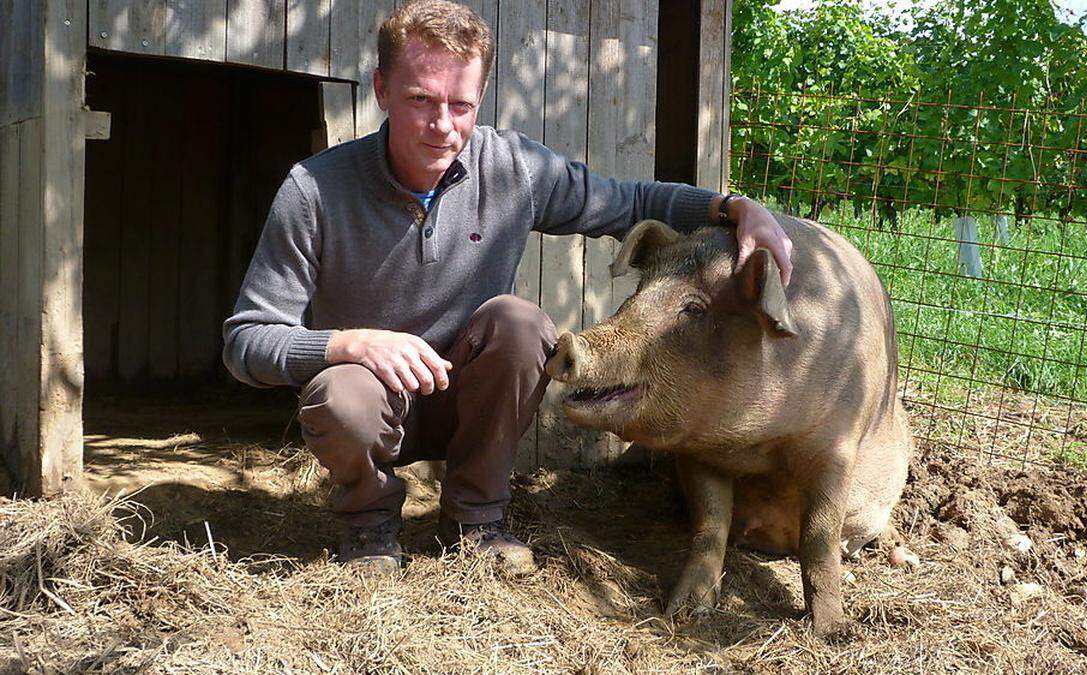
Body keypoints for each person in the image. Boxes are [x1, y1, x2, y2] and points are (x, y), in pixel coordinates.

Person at [222, 0, 794, 573]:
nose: (442, 124)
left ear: (480, 100)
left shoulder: (512, 167)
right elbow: (246, 342)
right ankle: (370, 527)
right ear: (380, 89)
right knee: (341, 392)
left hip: (468, 397)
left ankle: (475, 521)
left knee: (520, 324)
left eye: (460, 104)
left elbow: (633, 202)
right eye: (420, 99)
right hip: (372, 405)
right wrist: (353, 344)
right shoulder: (314, 190)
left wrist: (734, 206)